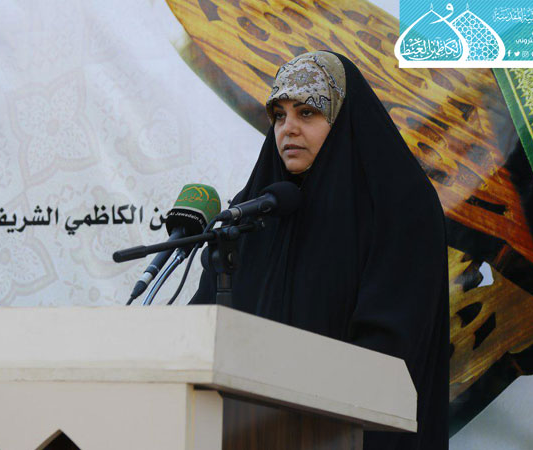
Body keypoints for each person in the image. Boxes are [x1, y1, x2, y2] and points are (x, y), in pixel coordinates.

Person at [189, 51, 449, 450]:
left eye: (307, 113)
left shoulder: (399, 208)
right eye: (279, 115)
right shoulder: (253, 212)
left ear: (342, 118)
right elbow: (200, 329)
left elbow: (389, 353)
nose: (288, 129)